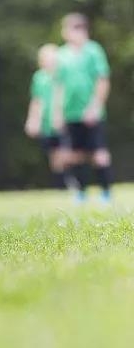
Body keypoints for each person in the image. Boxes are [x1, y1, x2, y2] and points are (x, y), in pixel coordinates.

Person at [52, 13, 112, 205]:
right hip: (71, 113)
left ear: (79, 29)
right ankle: (81, 193)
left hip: (91, 113)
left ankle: (105, 193)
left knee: (98, 153)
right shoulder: (62, 55)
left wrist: (94, 107)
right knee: (75, 154)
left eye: (66, 28)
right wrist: (58, 111)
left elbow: (102, 80)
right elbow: (59, 85)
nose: (64, 33)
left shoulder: (93, 51)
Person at [23, 44, 68, 190]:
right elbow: (37, 100)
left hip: (63, 120)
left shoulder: (63, 75)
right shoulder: (39, 77)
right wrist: (33, 120)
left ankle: (72, 181)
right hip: (47, 124)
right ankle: (60, 186)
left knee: (66, 152)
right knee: (53, 155)